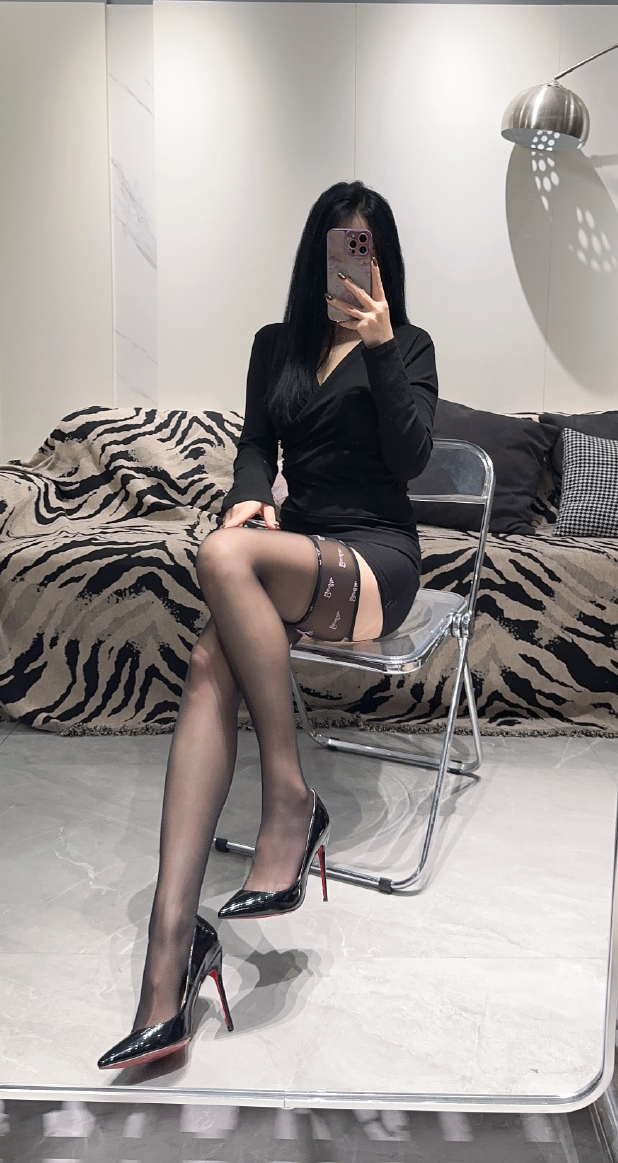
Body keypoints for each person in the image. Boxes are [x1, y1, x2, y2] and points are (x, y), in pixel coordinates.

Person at [97, 180, 438, 1071]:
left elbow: (411, 457)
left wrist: (381, 346)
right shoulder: (274, 345)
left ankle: (288, 798)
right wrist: (251, 496)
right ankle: (171, 954)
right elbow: (257, 443)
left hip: (376, 560)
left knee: (220, 560)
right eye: (338, 245)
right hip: (299, 548)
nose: (350, 262)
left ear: (383, 260)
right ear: (316, 253)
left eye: (365, 247)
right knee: (210, 658)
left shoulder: (408, 345)